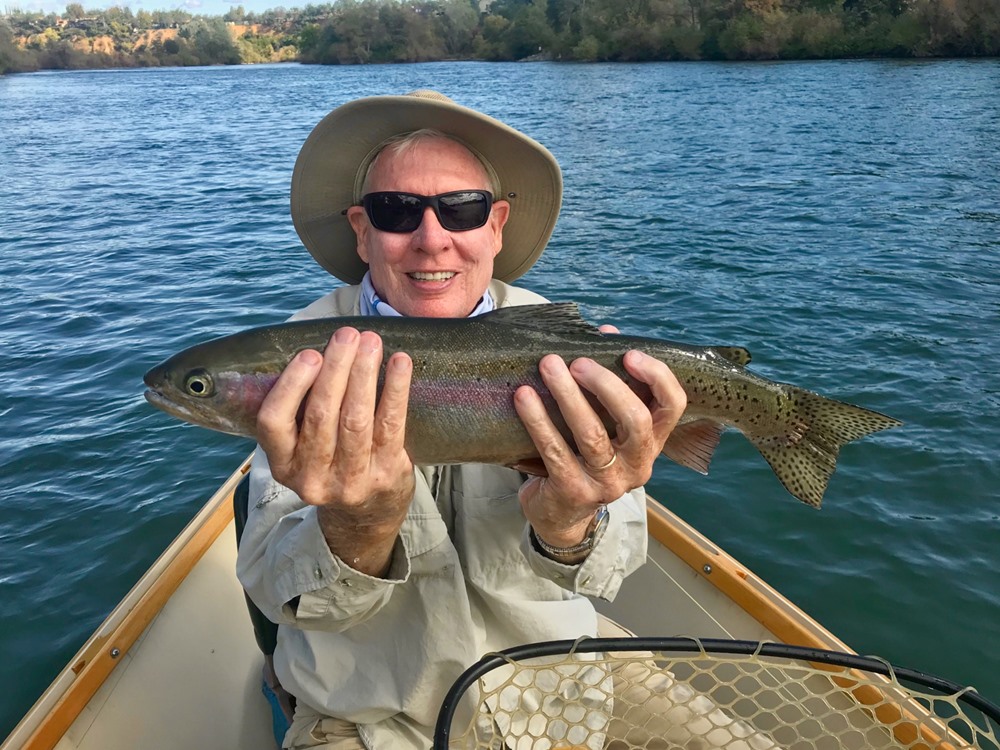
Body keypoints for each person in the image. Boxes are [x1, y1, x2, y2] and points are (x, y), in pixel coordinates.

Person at [236, 90, 687, 750]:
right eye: (397, 211)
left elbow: (609, 574)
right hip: (370, 721)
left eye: (462, 209)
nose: (431, 238)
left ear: (496, 225)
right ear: (361, 229)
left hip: (561, 687)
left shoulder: (570, 347)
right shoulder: (301, 363)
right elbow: (284, 598)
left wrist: (570, 524)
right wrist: (358, 526)